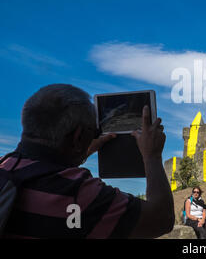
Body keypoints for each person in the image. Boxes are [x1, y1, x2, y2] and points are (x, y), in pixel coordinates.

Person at [0, 84, 174, 238]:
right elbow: (161, 219)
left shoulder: (5, 167)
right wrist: (152, 156)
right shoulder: (78, 193)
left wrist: (80, 149)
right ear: (78, 136)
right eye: (94, 132)